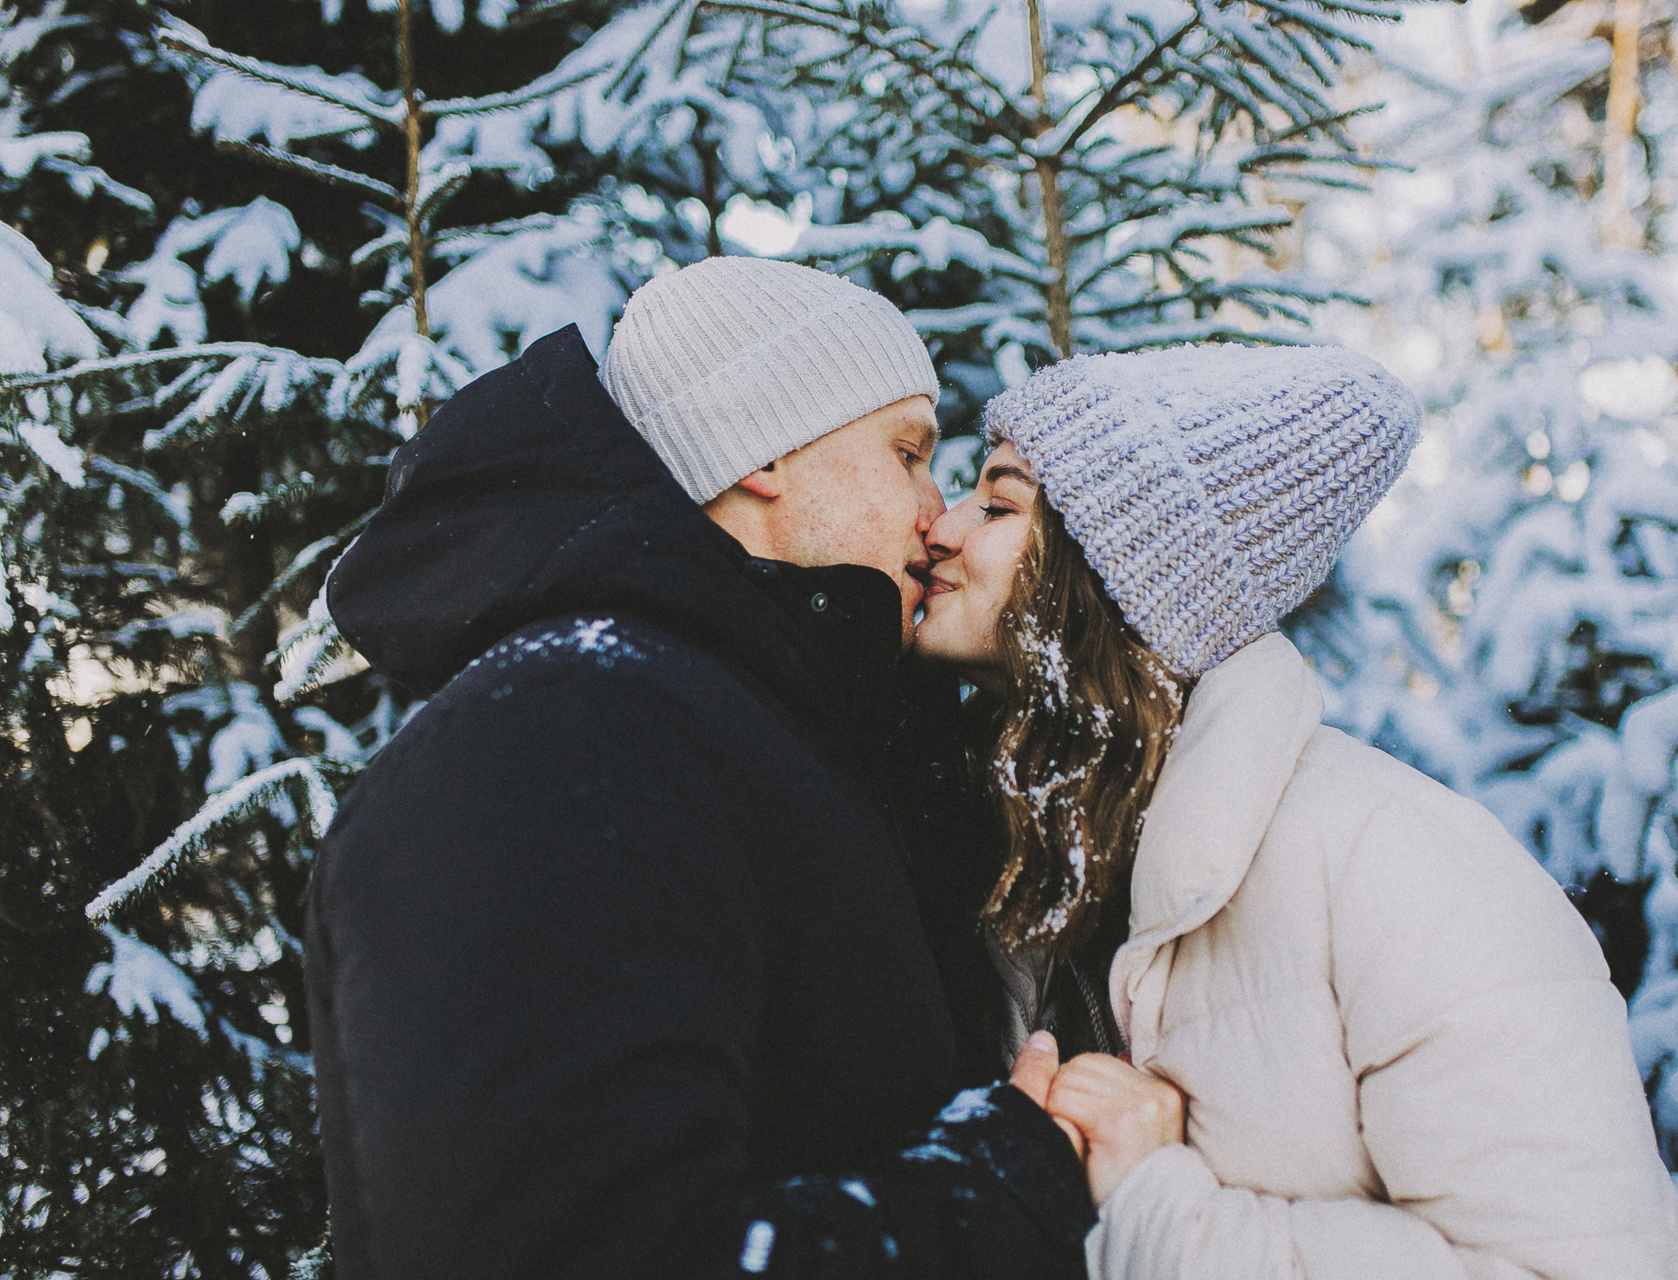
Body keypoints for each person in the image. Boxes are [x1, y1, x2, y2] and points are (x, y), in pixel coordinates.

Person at [308, 257, 1092, 1279]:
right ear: (764, 451)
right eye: (906, 452)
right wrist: (1010, 1185)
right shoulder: (569, 730)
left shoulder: (741, 728)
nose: (935, 513)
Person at [914, 344, 1678, 1279]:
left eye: (1000, 505)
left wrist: (1155, 1212)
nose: (941, 527)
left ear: (1125, 578)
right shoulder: (1035, 862)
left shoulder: (1401, 864)